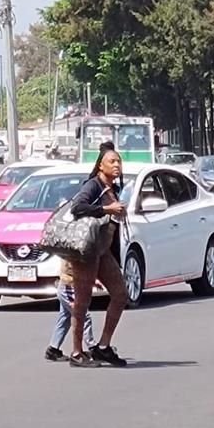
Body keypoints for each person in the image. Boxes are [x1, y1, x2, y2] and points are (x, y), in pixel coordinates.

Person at [64, 143, 130, 368]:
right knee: (82, 302)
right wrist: (107, 210)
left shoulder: (113, 188)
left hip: (103, 252)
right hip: (87, 252)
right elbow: (77, 207)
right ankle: (76, 352)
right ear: (101, 166)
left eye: (119, 161)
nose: (117, 165)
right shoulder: (93, 185)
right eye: (112, 161)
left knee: (120, 294)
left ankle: (103, 346)